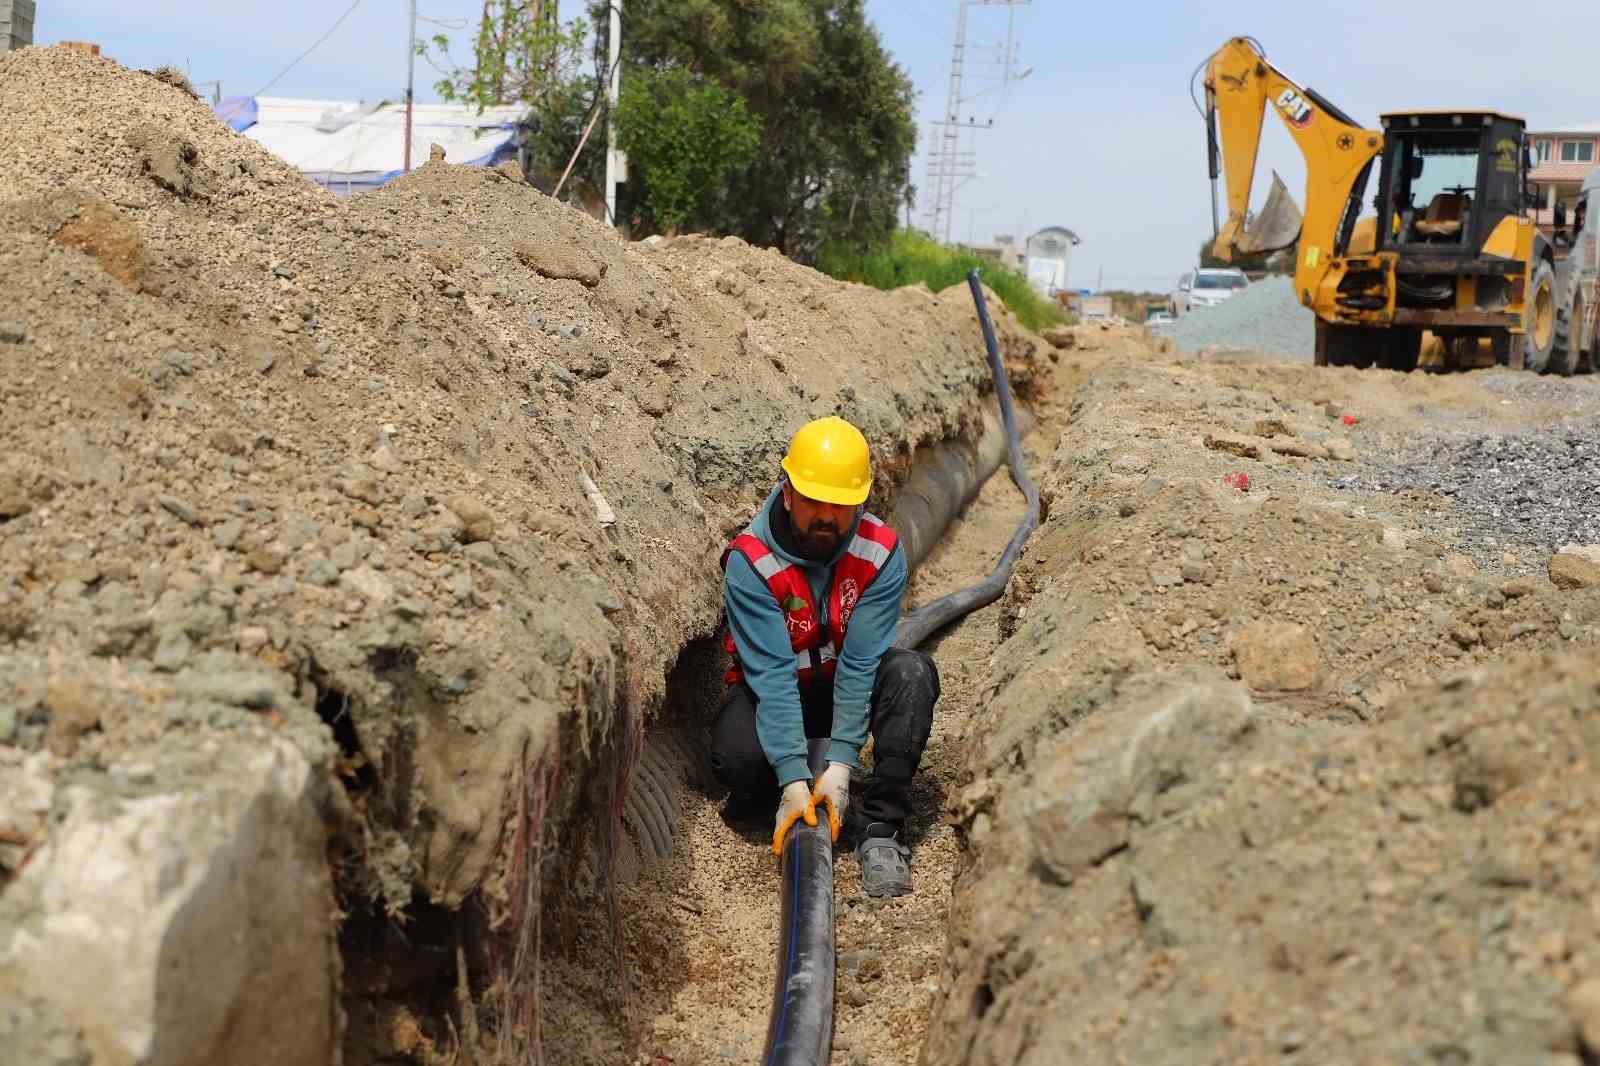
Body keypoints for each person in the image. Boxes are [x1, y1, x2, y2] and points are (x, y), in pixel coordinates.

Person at [709, 416, 940, 897]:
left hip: (842, 685)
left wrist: (841, 765)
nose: (826, 517)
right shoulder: (751, 561)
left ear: (860, 501)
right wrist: (794, 776)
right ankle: (783, 790)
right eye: (813, 500)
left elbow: (859, 665)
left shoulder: (878, 552)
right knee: (735, 758)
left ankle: (881, 831)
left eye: (840, 506)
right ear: (788, 492)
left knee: (911, 673)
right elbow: (771, 676)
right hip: (778, 689)